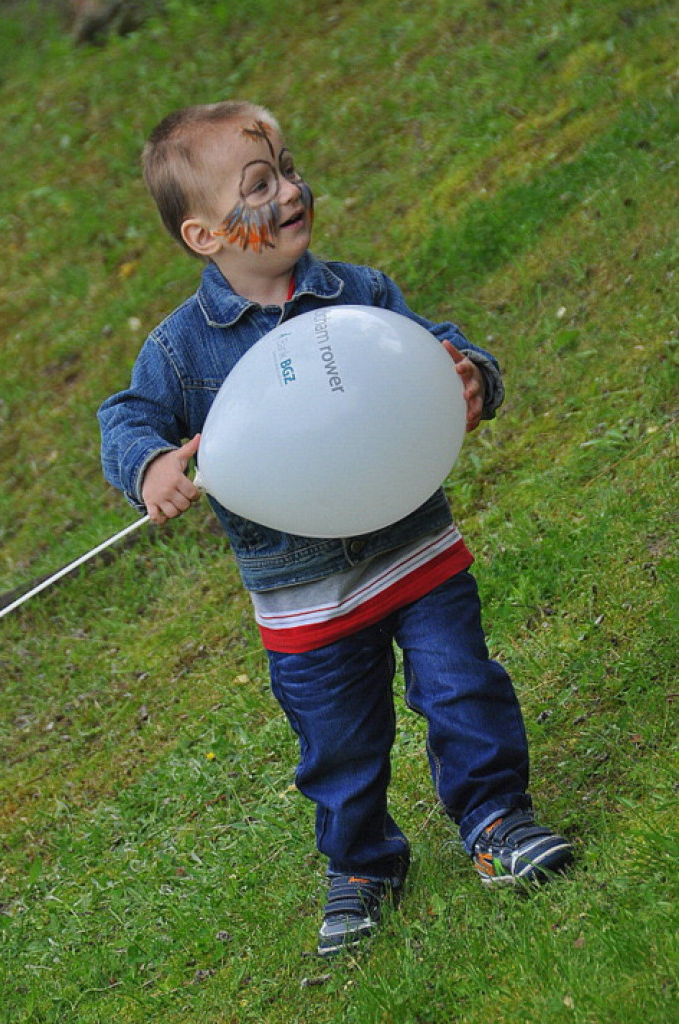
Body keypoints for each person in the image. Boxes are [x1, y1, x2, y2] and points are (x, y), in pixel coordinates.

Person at [98, 101, 574, 957]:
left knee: (463, 687)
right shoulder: (180, 351)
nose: (289, 191)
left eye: (288, 169)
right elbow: (126, 418)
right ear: (203, 236)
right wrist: (149, 466)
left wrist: (471, 375)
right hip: (303, 596)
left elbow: (427, 352)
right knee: (337, 744)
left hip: (415, 551)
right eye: (259, 184)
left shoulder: (360, 294)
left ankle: (496, 819)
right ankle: (361, 863)